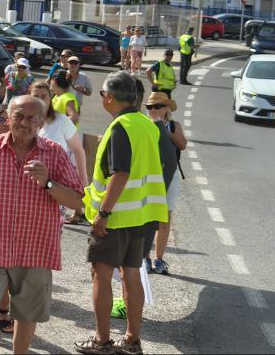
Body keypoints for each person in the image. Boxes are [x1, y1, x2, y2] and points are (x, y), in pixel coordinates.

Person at [0, 95, 85, 354]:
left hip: (34, 250)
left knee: (25, 316)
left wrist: (48, 183)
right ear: (7, 118)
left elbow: (78, 201)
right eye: (18, 116)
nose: (23, 122)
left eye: (30, 117)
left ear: (41, 121)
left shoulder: (54, 153)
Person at [76, 71, 169, 355]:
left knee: (100, 276)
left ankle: (102, 341)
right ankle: (131, 340)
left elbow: (121, 173)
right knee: (132, 275)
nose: (103, 98)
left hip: (116, 218)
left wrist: (103, 213)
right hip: (143, 216)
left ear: (110, 98)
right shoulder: (149, 125)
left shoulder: (120, 128)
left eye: (104, 94)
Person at [145, 91, 185, 275]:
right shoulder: (144, 125)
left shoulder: (174, 126)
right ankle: (144, 257)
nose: (153, 110)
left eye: (158, 106)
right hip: (148, 175)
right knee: (146, 218)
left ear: (167, 109)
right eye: (150, 107)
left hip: (170, 175)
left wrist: (165, 131)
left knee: (164, 219)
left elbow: (182, 144)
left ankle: (159, 259)